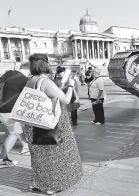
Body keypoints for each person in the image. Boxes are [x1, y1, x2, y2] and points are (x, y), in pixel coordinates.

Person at [23, 54, 82, 195]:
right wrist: (71, 85)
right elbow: (67, 100)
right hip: (49, 125)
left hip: (33, 124)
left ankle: (36, 183)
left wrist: (61, 87)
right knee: (55, 156)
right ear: (45, 65)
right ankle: (53, 186)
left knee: (38, 157)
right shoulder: (46, 82)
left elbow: (48, 94)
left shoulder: (30, 80)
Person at [0, 63, 30, 168]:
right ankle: (2, 159)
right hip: (10, 110)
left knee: (9, 133)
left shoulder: (8, 74)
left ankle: (6, 157)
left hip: (1, 109)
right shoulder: (23, 79)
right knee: (14, 133)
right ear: (29, 70)